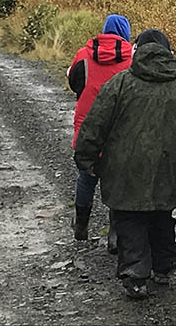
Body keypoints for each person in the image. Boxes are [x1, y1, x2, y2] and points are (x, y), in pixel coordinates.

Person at [74, 28, 176, 300]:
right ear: (169, 52)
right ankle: (164, 266)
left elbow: (95, 124)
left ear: (137, 52)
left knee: (131, 218)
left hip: (125, 168)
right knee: (161, 214)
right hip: (172, 167)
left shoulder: (120, 84)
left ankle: (135, 276)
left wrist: (85, 157)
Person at [67, 14, 133, 251]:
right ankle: (115, 234)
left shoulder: (83, 55)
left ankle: (81, 225)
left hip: (87, 128)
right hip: (120, 130)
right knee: (117, 181)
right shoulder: (132, 58)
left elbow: (73, 82)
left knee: (86, 177)